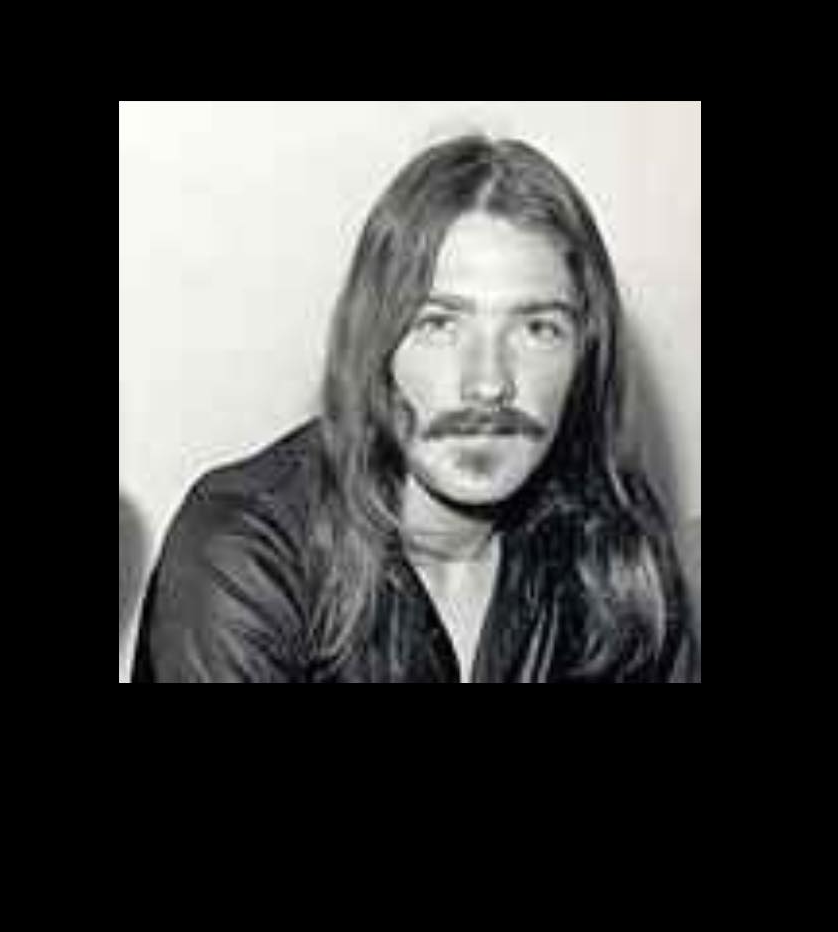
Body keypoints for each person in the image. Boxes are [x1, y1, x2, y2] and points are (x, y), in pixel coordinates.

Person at [132, 135, 699, 683]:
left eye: (536, 328)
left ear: (585, 355)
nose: (488, 384)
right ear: (373, 346)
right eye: (439, 324)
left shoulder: (614, 538)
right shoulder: (245, 550)